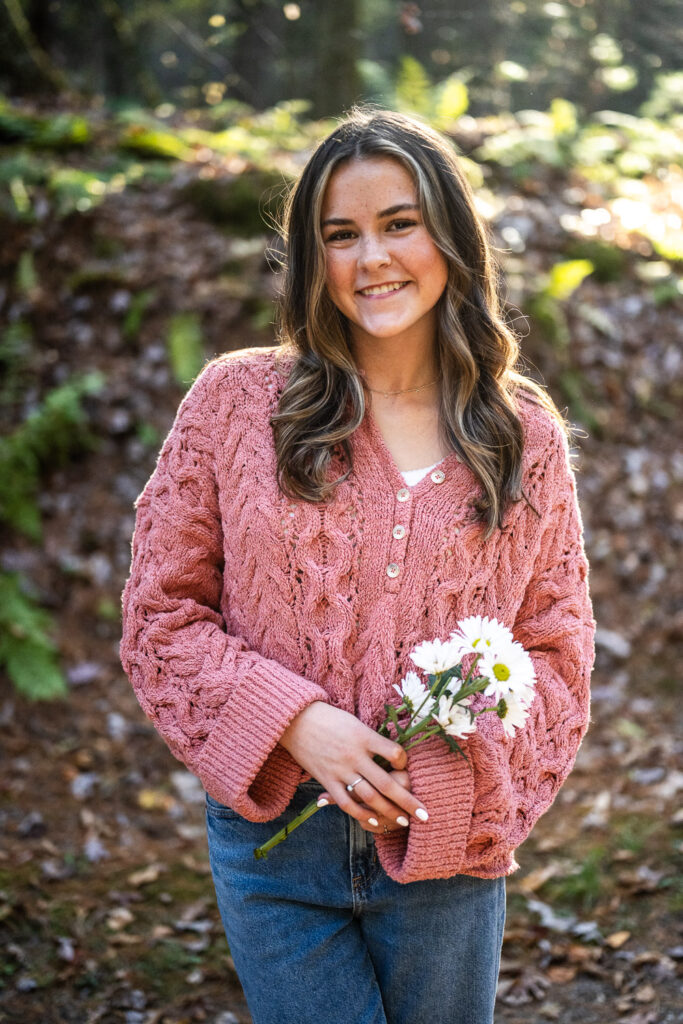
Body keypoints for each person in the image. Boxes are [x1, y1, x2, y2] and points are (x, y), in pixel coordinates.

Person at [119, 106, 596, 1024]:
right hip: (273, 850)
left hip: (444, 853)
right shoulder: (235, 404)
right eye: (341, 235)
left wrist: (457, 785)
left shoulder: (519, 435)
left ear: (449, 237)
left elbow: (556, 658)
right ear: (313, 258)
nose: (371, 257)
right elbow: (159, 618)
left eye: (398, 224)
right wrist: (296, 723)